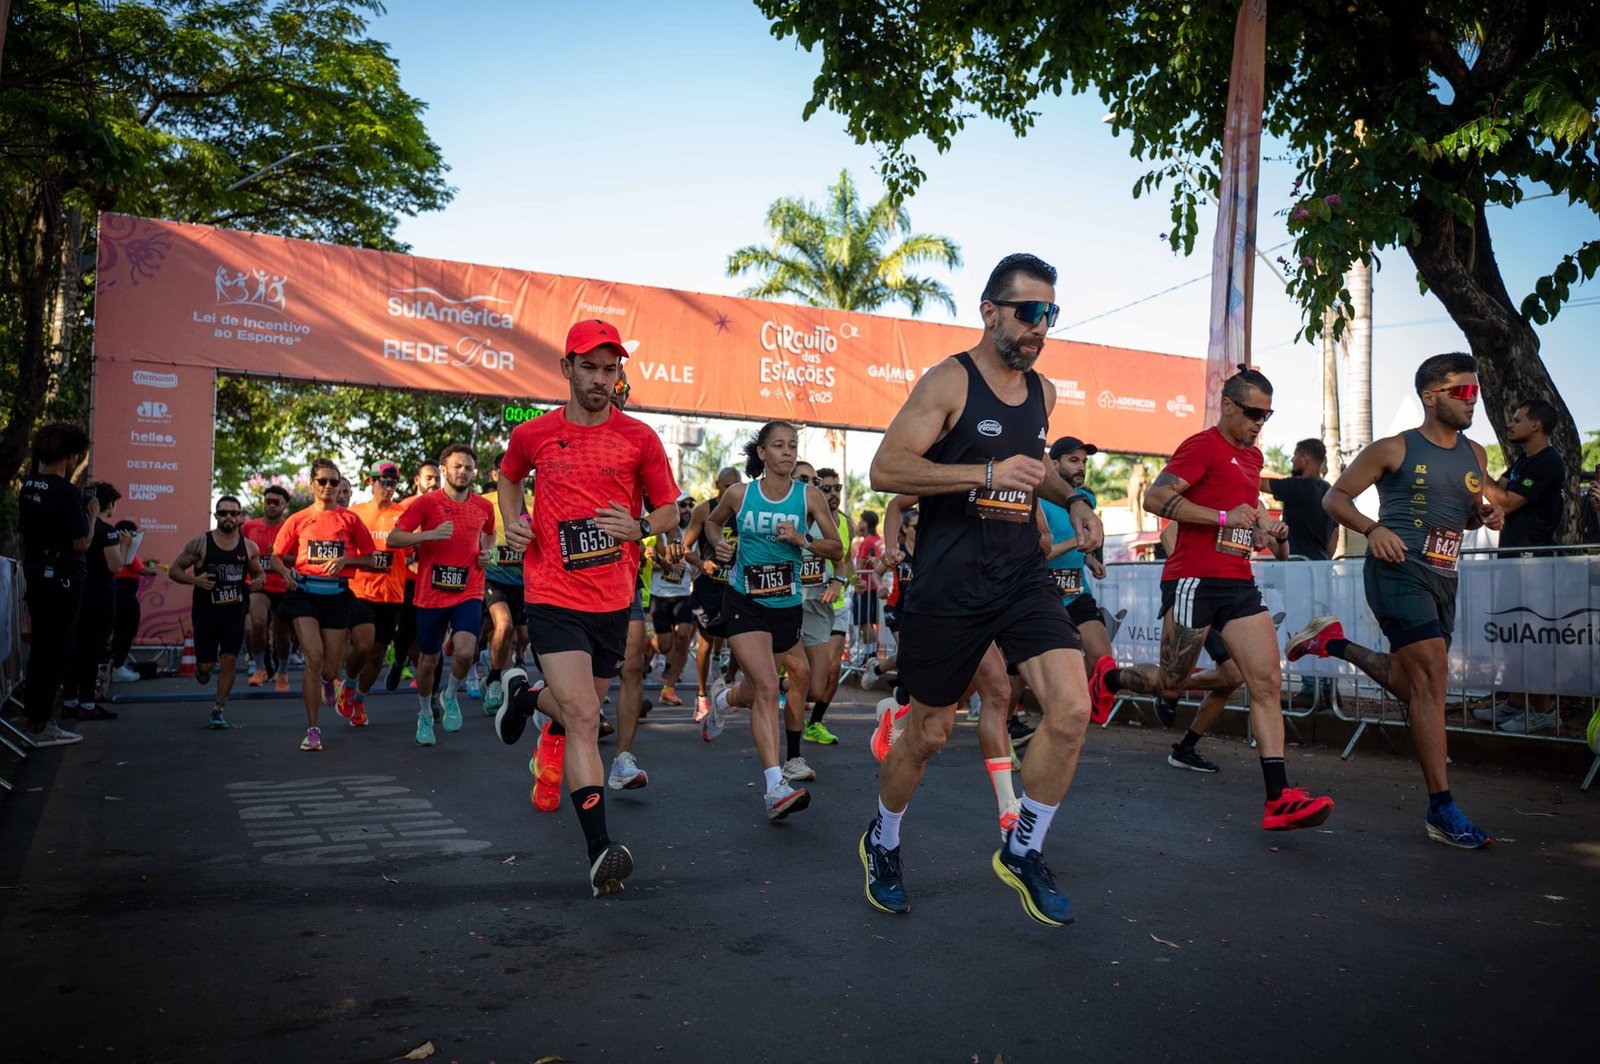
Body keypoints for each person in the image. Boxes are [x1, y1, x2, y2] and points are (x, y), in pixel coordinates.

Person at [858, 252, 1105, 925]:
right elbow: (886, 468)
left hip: (1020, 574)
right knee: (930, 733)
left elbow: (1038, 474)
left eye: (1050, 314)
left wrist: (1075, 499)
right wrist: (982, 472)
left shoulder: (1044, 393)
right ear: (990, 311)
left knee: (1072, 708)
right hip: (950, 580)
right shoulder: (949, 383)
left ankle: (1023, 848)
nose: (1040, 326)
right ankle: (882, 840)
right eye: (1029, 312)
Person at [1088, 365, 1333, 833]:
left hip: (1238, 583)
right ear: (1228, 406)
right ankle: (1110, 678)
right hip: (1192, 582)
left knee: (1265, 682)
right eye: (1252, 412)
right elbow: (1156, 499)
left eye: (1267, 414)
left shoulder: (1255, 458)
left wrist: (1267, 525)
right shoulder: (1201, 446)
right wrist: (1223, 517)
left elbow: (1250, 511)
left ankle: (1278, 797)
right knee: (1170, 685)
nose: (1260, 422)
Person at [492, 319, 681, 898]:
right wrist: (516, 522)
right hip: (550, 592)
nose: (601, 379)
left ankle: (523, 695)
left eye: (610, 369)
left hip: (613, 599)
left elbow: (671, 509)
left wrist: (641, 526)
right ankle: (600, 850)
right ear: (567, 369)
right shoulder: (535, 434)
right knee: (580, 720)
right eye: (590, 367)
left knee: (578, 709)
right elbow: (507, 478)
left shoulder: (639, 439)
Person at [1288, 352, 1504, 849]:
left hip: (1444, 578)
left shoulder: (1476, 454)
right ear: (1432, 396)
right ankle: (1441, 807)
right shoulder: (1393, 448)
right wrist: (1374, 528)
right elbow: (1334, 498)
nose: (1474, 401)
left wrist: (1482, 517)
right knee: (1431, 679)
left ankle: (1333, 644)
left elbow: (1465, 512)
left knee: (1413, 685)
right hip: (1397, 572)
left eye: (1476, 392)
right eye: (1463, 392)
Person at [700, 424, 843, 821]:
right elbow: (713, 523)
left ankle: (724, 698)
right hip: (744, 601)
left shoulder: (808, 496)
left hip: (787, 605)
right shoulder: (740, 494)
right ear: (762, 453)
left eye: (792, 446)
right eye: (778, 446)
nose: (786, 452)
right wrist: (721, 542)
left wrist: (803, 540)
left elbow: (837, 548)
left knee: (762, 687)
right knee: (766, 686)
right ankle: (775, 786)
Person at [388, 444, 496, 746]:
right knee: (428, 659)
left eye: (468, 468)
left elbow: (489, 533)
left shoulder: (483, 506)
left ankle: (450, 695)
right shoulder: (427, 504)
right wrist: (427, 536)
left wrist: (485, 552)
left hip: (469, 589)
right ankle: (424, 713)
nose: (463, 472)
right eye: (457, 466)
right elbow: (395, 538)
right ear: (444, 470)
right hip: (431, 592)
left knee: (464, 651)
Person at [270, 458, 378, 751]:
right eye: (323, 481)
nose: (329, 487)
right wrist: (284, 574)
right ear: (313, 484)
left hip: (337, 596)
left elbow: (371, 558)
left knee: (330, 669)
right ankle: (313, 730)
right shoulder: (298, 518)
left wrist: (345, 560)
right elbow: (276, 556)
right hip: (303, 593)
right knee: (313, 658)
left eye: (334, 482)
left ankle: (331, 682)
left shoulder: (350, 520)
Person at [16, 422, 92, 746]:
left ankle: (35, 719)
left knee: (41, 652)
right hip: (62, 579)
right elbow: (81, 543)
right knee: (55, 651)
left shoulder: (29, 486)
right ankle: (42, 724)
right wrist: (93, 515)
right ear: (70, 456)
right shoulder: (65, 491)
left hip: (36, 575)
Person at [168, 496, 264, 729]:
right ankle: (203, 669)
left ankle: (218, 709)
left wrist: (259, 581)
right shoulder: (200, 543)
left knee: (229, 659)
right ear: (216, 516)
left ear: (240, 516)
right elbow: (174, 571)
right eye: (224, 513)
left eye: (233, 513)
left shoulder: (249, 547)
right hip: (206, 613)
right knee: (206, 666)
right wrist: (195, 580)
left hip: (234, 612)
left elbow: (260, 573)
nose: (229, 518)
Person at [1260, 437, 1338, 708]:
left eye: (1294, 456)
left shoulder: (1297, 487)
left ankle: (1310, 689)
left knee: (1303, 629)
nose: (1292, 461)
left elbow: (1259, 483)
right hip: (1320, 568)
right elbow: (1335, 533)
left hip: (1298, 570)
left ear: (1306, 458)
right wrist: (1325, 560)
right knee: (1321, 627)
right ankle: (1327, 690)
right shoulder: (1328, 490)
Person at [343, 462, 411, 728]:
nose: (388, 487)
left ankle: (359, 699)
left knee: (378, 654)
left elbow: (414, 547)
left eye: (393, 483)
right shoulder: (355, 513)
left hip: (392, 593)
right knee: (363, 643)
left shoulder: (403, 513)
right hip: (360, 589)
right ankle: (348, 683)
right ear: (370, 481)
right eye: (384, 481)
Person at [1042, 437, 1114, 674]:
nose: (1081, 466)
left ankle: (1079, 707)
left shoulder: (1087, 500)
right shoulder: (1039, 501)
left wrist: (1090, 560)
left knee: (1102, 660)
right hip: (1042, 593)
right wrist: (1077, 540)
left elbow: (1079, 544)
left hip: (1076, 592)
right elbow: (1035, 555)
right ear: (1053, 465)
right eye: (1073, 460)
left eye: (1084, 461)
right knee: (1019, 677)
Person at [62, 482, 129, 721]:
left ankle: (70, 700)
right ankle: (88, 704)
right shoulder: (107, 530)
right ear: (107, 504)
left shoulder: (78, 527)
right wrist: (124, 545)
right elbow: (116, 565)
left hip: (74, 592)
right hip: (99, 595)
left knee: (74, 648)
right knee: (92, 650)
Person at [683, 467, 742, 719]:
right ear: (717, 484)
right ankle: (701, 696)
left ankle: (728, 682)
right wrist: (700, 564)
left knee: (741, 637)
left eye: (734, 486)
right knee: (705, 640)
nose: (728, 491)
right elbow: (686, 548)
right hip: (709, 586)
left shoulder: (745, 511)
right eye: (724, 486)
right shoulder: (704, 510)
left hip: (736, 585)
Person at [799, 466, 852, 742]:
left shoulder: (846, 523)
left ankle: (814, 723)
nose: (833, 494)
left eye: (837, 488)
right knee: (807, 672)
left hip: (838, 603)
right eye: (827, 488)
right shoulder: (805, 518)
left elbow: (846, 560)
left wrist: (845, 581)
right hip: (807, 602)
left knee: (834, 668)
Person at [480, 452, 533, 717]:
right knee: (504, 625)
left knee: (523, 637)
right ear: (494, 475)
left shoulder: (537, 503)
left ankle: (505, 663)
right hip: (493, 578)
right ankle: (493, 679)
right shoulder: (483, 503)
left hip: (525, 583)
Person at [648, 493, 698, 708]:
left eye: (690, 505)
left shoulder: (696, 532)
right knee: (664, 645)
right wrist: (667, 564)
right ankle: (647, 646)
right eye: (682, 505)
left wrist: (696, 567)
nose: (687, 509)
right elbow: (659, 558)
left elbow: (697, 560)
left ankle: (669, 688)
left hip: (684, 593)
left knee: (684, 637)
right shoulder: (662, 530)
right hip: (661, 594)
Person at [242, 485, 294, 691]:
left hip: (283, 586)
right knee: (257, 624)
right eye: (268, 501)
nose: (271, 506)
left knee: (282, 634)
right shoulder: (249, 527)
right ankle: (260, 667)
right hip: (258, 585)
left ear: (284, 506)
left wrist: (279, 555)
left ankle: (282, 672)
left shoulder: (290, 528)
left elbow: (299, 559)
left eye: (276, 503)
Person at [109, 519, 160, 682]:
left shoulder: (115, 549)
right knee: (127, 629)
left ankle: (116, 665)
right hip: (125, 596)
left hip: (117, 594)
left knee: (120, 630)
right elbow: (141, 569)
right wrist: (154, 570)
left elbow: (133, 565)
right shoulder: (127, 550)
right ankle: (118, 666)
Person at [851, 510, 884, 662]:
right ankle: (871, 654)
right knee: (868, 622)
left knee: (864, 623)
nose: (858, 523)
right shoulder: (876, 539)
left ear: (865, 523)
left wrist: (854, 577)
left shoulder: (867, 542)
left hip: (864, 587)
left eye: (860, 520)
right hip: (872, 587)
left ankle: (870, 656)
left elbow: (860, 566)